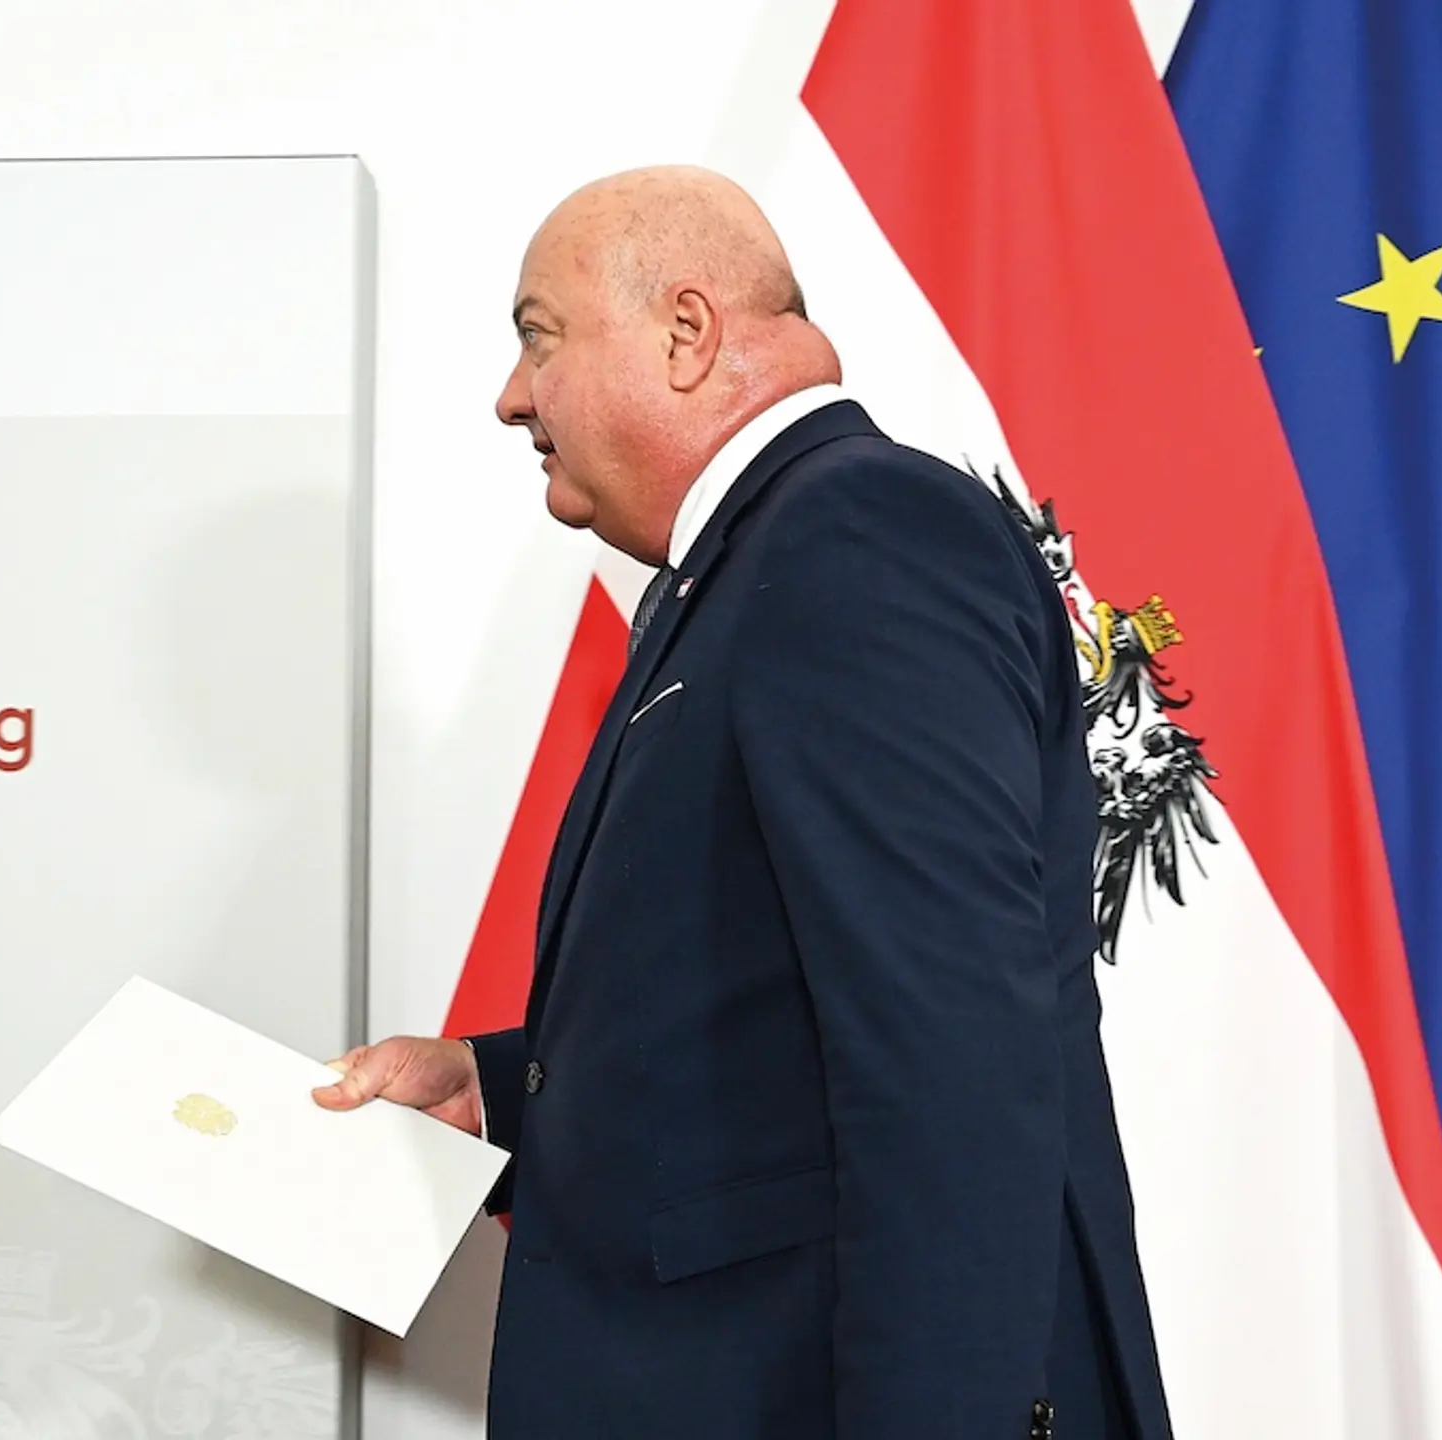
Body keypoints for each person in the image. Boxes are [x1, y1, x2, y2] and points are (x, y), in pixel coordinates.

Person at [312, 165, 1172, 1440]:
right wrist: (499, 1089)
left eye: (535, 337)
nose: (509, 398)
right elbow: (771, 1011)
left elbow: (948, 1055)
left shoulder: (853, 533)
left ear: (686, 331)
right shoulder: (750, 571)